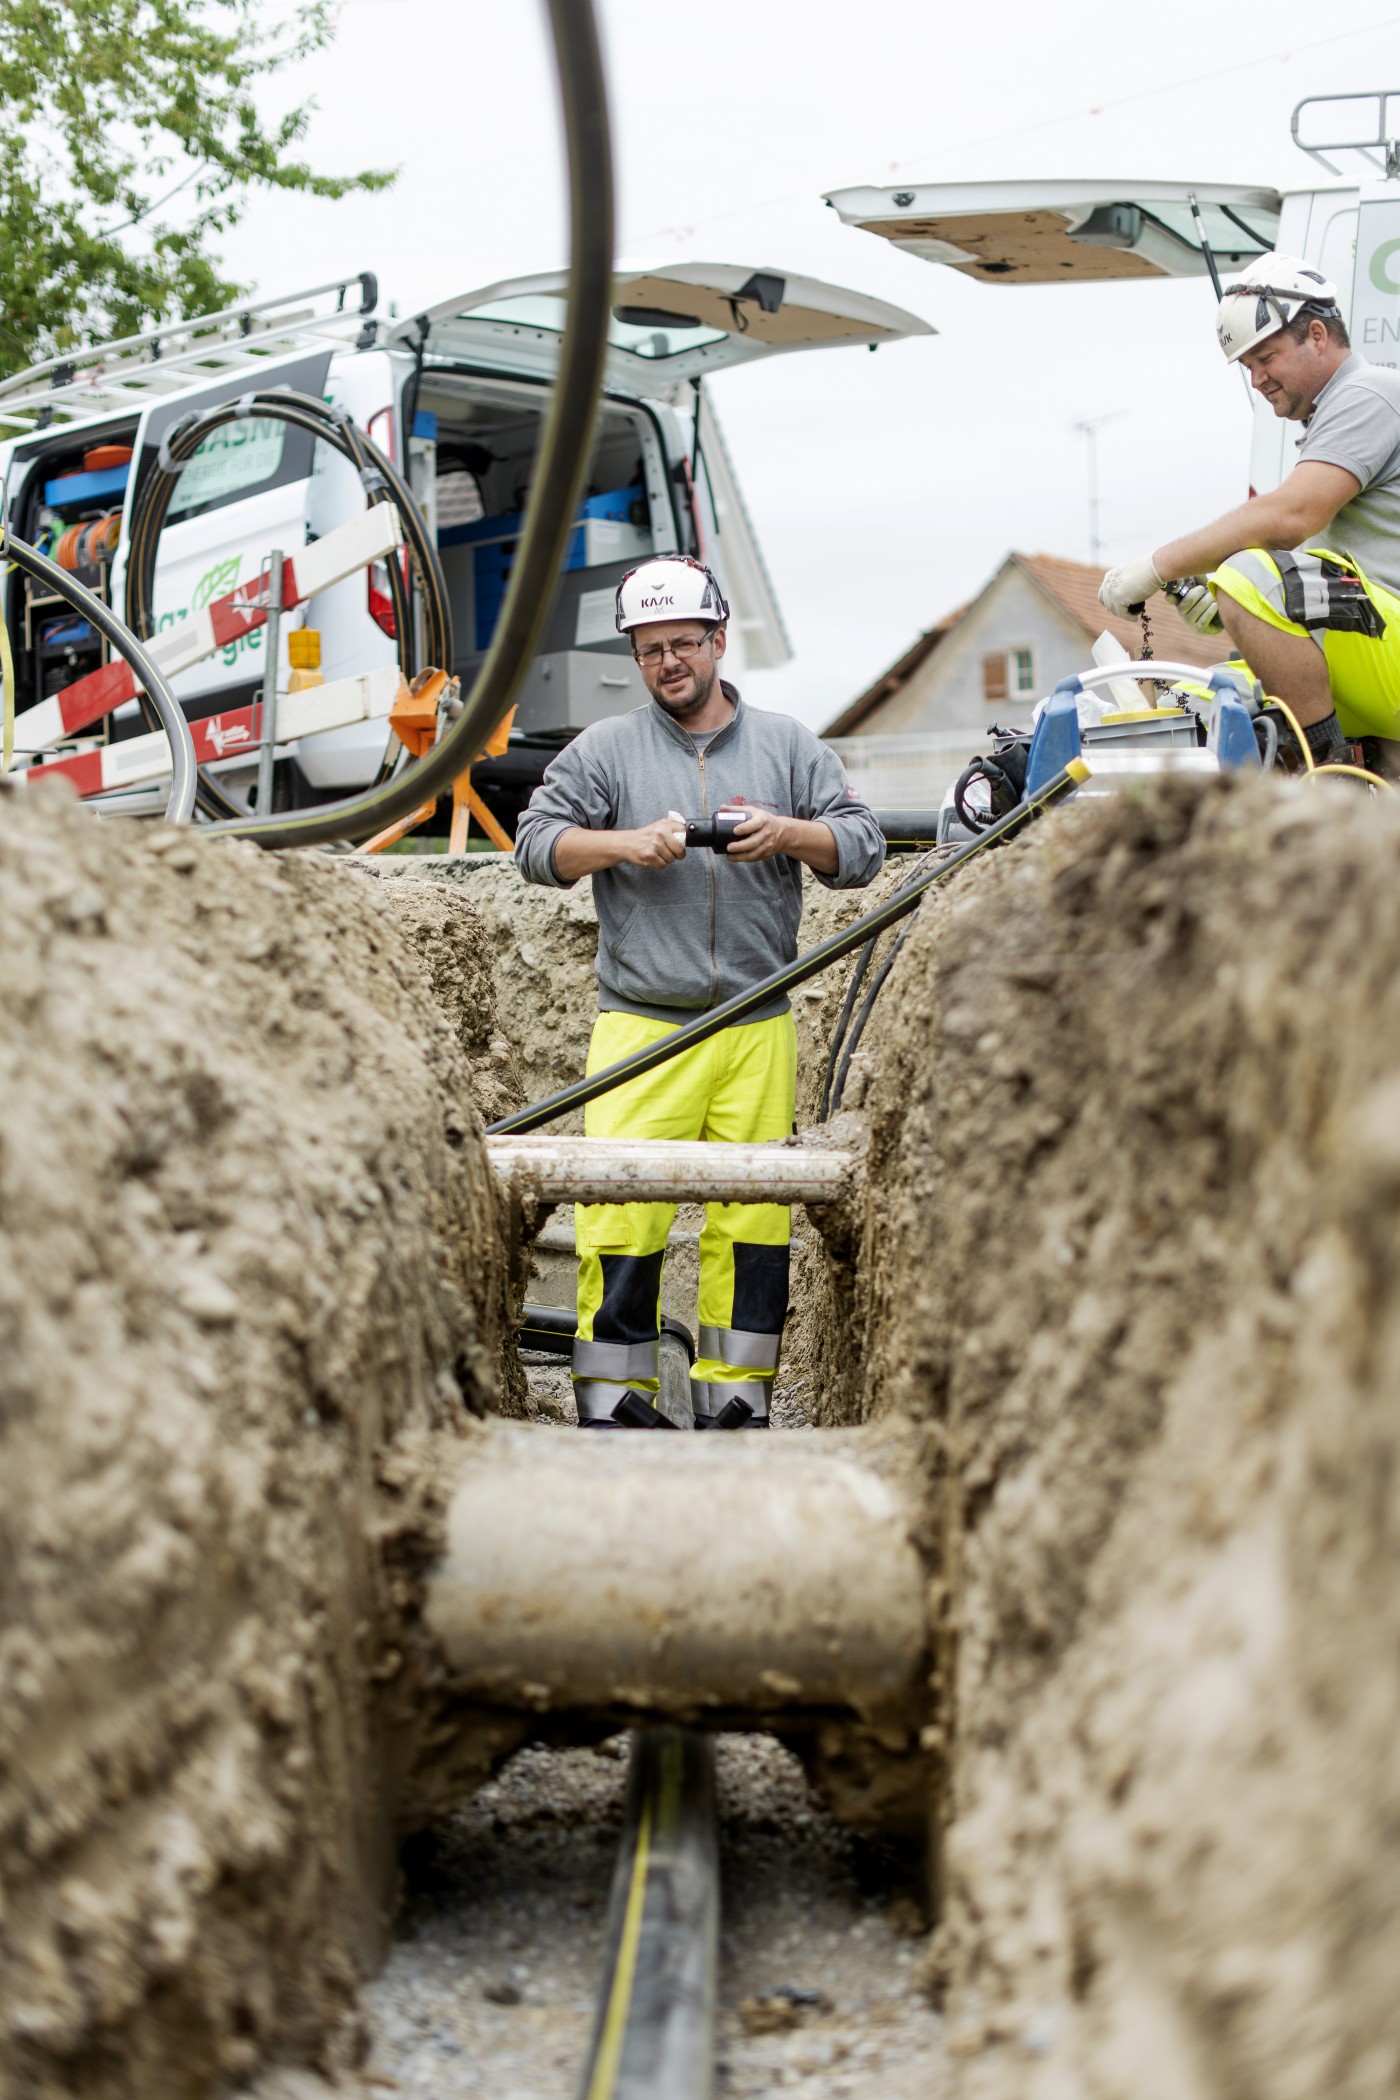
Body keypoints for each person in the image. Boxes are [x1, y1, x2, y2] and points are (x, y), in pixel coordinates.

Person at [514, 554, 885, 1430]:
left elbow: (862, 847)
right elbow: (535, 845)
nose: (669, 662)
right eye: (650, 650)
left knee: (752, 1229)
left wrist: (788, 833)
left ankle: (735, 1406)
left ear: (719, 641)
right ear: (635, 658)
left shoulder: (787, 745)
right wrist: (624, 844)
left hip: (757, 1026)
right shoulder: (606, 749)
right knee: (619, 1224)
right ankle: (615, 1409)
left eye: (683, 643)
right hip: (642, 1028)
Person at [1099, 252, 1400, 771]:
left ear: (1318, 335)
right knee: (1202, 693)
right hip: (1380, 649)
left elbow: (1290, 517)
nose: (1257, 379)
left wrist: (1157, 567)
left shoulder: (1369, 392)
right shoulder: (1338, 418)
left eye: (1266, 357)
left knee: (1249, 575)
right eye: (1247, 366)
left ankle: (1330, 774)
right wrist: (1230, 605)